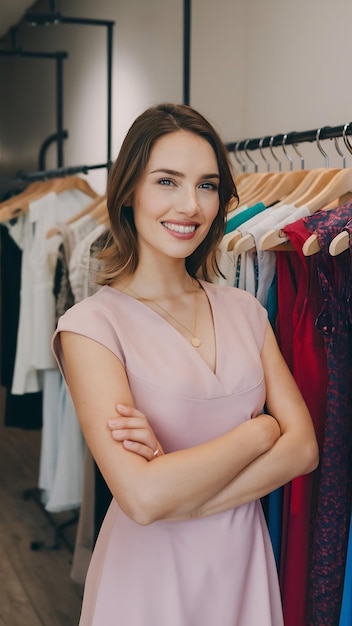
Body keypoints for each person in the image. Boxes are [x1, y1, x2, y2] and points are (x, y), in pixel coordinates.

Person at [52, 102, 319, 626]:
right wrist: (259, 433)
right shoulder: (91, 326)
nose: (190, 205)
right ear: (129, 190)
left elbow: (305, 448)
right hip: (148, 577)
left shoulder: (243, 309)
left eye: (207, 185)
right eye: (168, 181)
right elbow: (144, 498)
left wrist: (191, 501)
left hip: (241, 565)